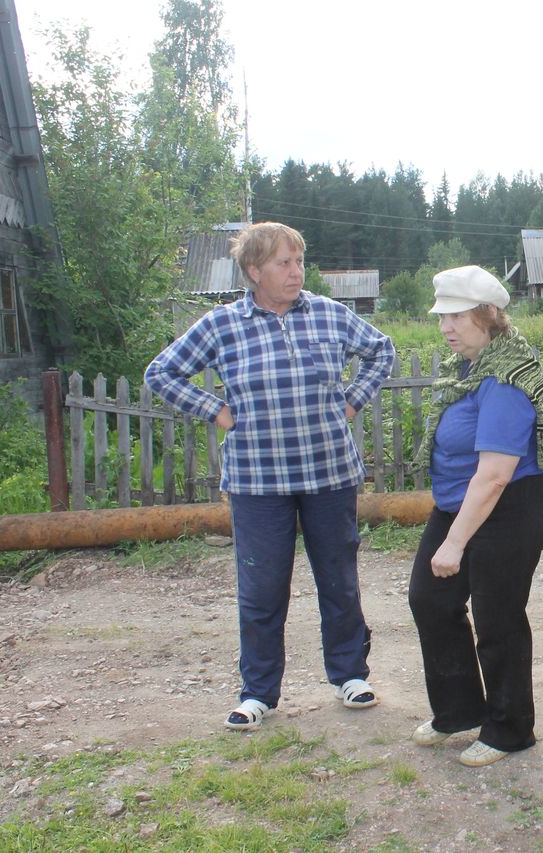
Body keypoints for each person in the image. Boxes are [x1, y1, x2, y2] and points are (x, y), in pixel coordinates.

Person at [145, 222, 395, 731]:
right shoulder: (221, 325)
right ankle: (258, 692)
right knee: (261, 590)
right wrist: (215, 410)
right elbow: (161, 373)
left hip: (329, 475)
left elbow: (381, 352)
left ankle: (350, 675)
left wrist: (351, 401)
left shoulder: (330, 313)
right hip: (258, 482)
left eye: (299, 261)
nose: (296, 271)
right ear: (254, 270)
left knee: (339, 581)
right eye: (284, 262)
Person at [407, 265, 543, 767]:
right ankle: (458, 711)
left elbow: (494, 475)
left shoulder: (508, 375)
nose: (446, 326)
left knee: (497, 618)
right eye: (441, 317)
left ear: (489, 315)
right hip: (458, 503)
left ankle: (510, 729)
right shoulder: (464, 368)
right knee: (430, 599)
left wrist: (454, 544)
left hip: (510, 507)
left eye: (456, 316)